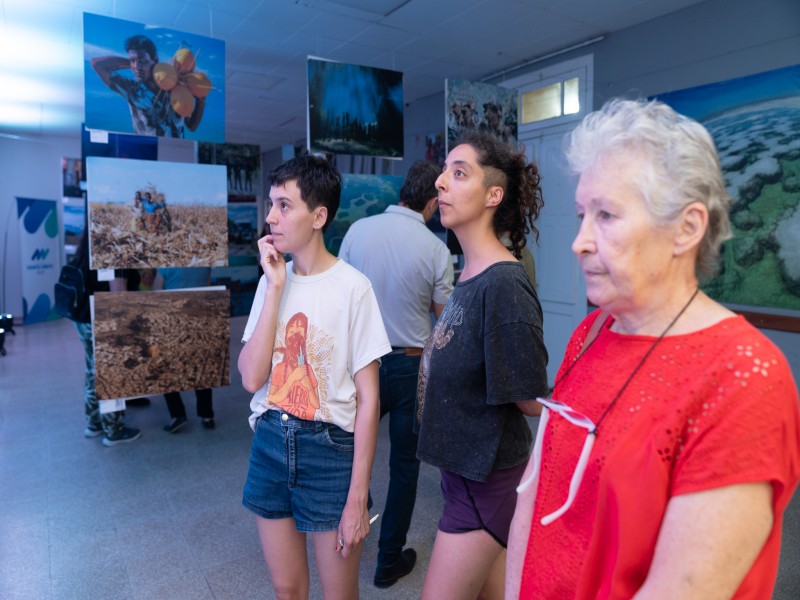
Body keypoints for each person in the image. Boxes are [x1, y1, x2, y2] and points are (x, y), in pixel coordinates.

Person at [506, 98, 800, 600]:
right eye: (581, 214)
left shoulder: (743, 374)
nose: (578, 241)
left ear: (686, 228)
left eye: (606, 215)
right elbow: (535, 497)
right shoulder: (593, 332)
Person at [238, 154, 392, 599]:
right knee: (287, 588)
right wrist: (276, 289)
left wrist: (358, 497)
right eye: (271, 204)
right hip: (269, 443)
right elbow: (251, 379)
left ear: (319, 216)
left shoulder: (353, 288)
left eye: (284, 205)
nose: (271, 216)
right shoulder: (272, 281)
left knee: (339, 593)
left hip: (330, 454)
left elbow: (369, 401)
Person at [416, 131, 549, 600]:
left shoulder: (504, 284)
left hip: (485, 482)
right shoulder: (470, 277)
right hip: (462, 475)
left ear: (494, 195)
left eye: (459, 172)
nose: (440, 183)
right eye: (443, 171)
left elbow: (531, 399)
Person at [338, 160, 455, 588]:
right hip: (409, 366)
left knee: (352, 452)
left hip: (360, 364)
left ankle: (350, 523)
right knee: (405, 466)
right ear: (429, 201)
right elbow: (444, 322)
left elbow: (341, 300)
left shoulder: (358, 232)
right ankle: (388, 561)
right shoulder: (435, 249)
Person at [72, 232, 142, 446]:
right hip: (103, 318)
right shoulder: (113, 253)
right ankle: (114, 429)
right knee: (109, 373)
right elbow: (118, 295)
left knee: (93, 370)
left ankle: (94, 423)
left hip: (82, 318)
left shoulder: (86, 251)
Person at [91, 34, 205, 137]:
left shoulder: (176, 86)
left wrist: (201, 96)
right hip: (146, 153)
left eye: (142, 60)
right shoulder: (131, 89)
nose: (138, 67)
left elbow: (192, 126)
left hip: (176, 153)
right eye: (133, 60)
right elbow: (97, 64)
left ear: (155, 60)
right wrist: (134, 64)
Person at [153, 267, 215, 433]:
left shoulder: (166, 264)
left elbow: (156, 291)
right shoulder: (204, 263)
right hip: (199, 318)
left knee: (166, 367)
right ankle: (207, 415)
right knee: (200, 366)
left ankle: (177, 414)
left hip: (173, 319)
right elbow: (207, 286)